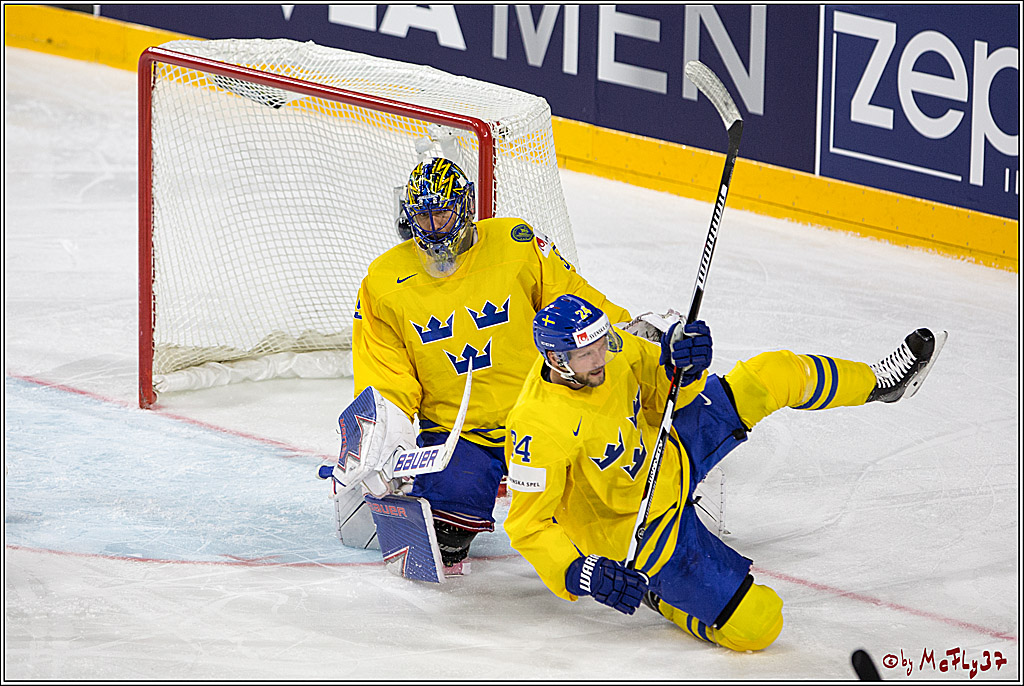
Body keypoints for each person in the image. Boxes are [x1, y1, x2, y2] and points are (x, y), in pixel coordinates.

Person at [503, 293, 946, 651]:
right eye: (586, 355)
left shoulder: (610, 352)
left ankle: (879, 382)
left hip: (669, 451)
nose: (601, 357)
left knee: (772, 372)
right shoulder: (536, 426)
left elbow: (664, 395)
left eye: (601, 344)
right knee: (758, 623)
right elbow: (528, 524)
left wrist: (683, 363)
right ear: (556, 359)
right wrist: (580, 571)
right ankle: (658, 595)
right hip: (636, 531)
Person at [349, 158, 631, 570]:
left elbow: (575, 302)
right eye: (423, 215)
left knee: (604, 513)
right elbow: (384, 374)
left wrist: (628, 338)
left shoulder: (516, 244)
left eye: (442, 212)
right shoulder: (383, 281)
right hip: (456, 431)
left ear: (464, 209)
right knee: (446, 536)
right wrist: (380, 441)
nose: (433, 226)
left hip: (543, 413)